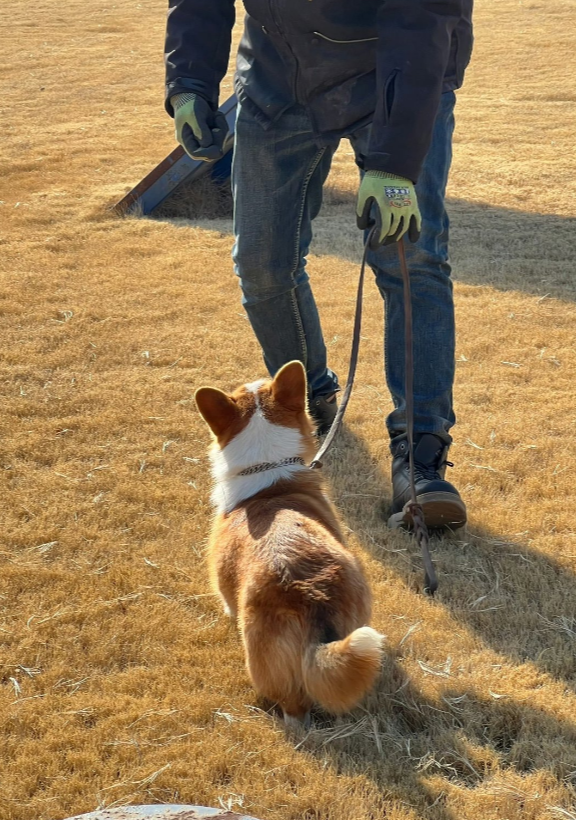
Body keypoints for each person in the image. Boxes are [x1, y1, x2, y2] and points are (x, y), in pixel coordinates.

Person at [164, 1, 474, 530]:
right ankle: (308, 397)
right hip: (276, 76)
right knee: (261, 264)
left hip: (397, 76)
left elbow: (422, 18)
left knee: (412, 262)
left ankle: (420, 455)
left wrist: (395, 162)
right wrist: (188, 82)